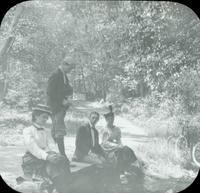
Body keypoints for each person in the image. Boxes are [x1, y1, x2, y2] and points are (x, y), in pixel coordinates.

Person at [21, 104, 72, 193]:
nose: (46, 120)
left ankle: (67, 184)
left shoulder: (45, 130)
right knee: (52, 167)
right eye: (44, 117)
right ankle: (60, 187)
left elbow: (48, 146)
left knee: (63, 160)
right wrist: (47, 156)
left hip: (45, 155)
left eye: (47, 118)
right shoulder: (27, 131)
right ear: (36, 116)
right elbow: (33, 148)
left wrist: (54, 154)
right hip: (32, 158)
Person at [101, 105, 143, 176]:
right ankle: (121, 171)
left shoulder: (117, 129)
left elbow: (119, 140)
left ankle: (134, 164)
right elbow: (105, 143)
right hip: (107, 149)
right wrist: (117, 146)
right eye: (109, 119)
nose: (111, 121)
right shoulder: (104, 129)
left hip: (116, 147)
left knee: (126, 149)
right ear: (106, 120)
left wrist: (121, 145)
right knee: (120, 152)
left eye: (112, 119)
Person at [46, 56, 74, 158]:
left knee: (56, 131)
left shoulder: (63, 75)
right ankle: (63, 156)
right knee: (59, 131)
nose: (71, 70)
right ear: (64, 64)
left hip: (61, 107)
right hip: (55, 107)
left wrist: (69, 97)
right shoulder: (56, 74)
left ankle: (59, 155)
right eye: (70, 68)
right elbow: (50, 91)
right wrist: (62, 100)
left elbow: (65, 89)